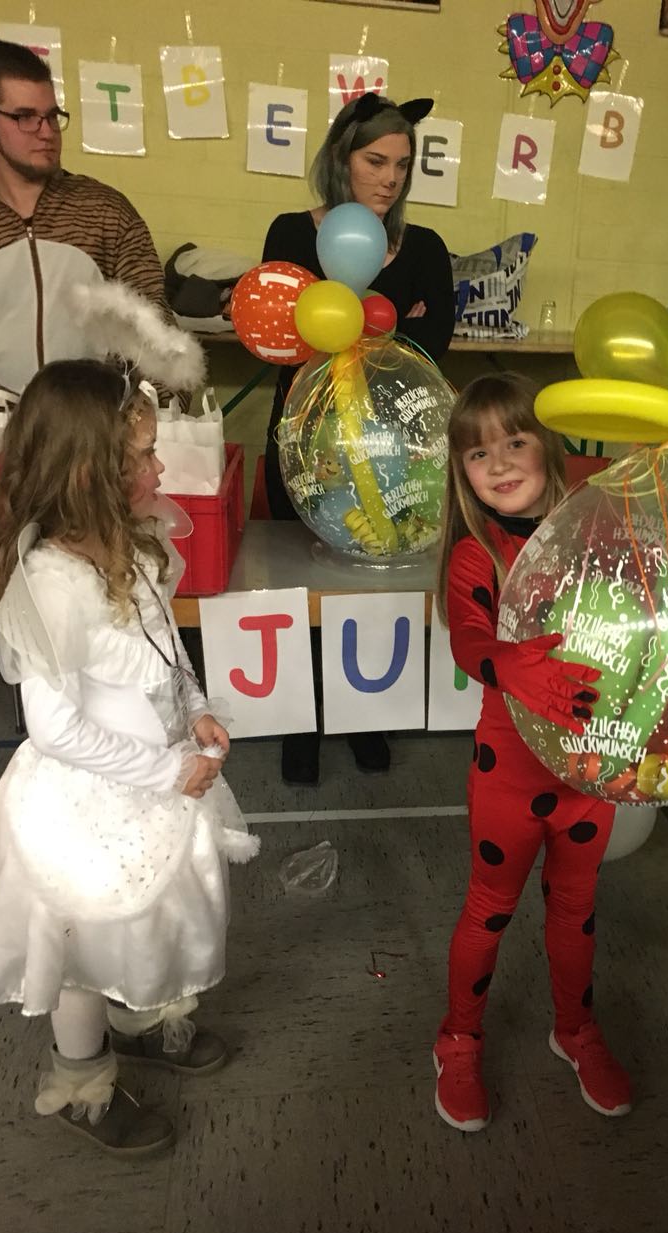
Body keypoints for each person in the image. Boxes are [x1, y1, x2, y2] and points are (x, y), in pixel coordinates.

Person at [0, 360, 258, 1155]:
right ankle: (83, 1082)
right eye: (143, 456)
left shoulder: (132, 544)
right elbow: (56, 729)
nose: (161, 469)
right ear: (89, 474)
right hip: (89, 802)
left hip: (157, 780)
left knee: (146, 921)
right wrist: (169, 771)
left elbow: (166, 645)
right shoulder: (51, 584)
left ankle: (138, 1021)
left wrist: (197, 708)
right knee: (83, 948)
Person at [431, 371, 633, 1132]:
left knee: (577, 909)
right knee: (490, 909)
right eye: (479, 454)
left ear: (547, 446)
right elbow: (468, 636)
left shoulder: (591, 531)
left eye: (515, 442)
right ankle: (457, 1039)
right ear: (463, 471)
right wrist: (504, 662)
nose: (501, 464)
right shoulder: (475, 553)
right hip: (510, 772)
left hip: (588, 765)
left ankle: (575, 1029)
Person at [261, 91, 455, 784]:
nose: (390, 178)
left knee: (374, 585)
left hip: (396, 455)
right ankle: (302, 724)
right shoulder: (291, 233)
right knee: (301, 584)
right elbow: (284, 336)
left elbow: (433, 344)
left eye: (403, 165)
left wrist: (368, 328)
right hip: (307, 445)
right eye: (376, 161)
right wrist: (393, 318)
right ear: (342, 160)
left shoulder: (424, 247)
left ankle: (360, 715)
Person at [0, 39, 187, 405]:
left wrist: (153, 410)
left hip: (96, 427)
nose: (46, 131)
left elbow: (154, 332)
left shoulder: (106, 212)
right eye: (26, 117)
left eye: (52, 116)